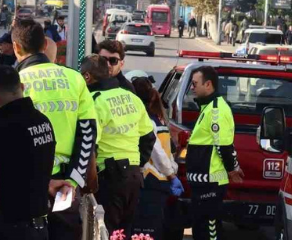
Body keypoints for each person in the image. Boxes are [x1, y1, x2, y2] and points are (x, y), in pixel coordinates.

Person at [13, 18, 98, 240]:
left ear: (16, 47)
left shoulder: (14, 82)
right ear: (44, 47)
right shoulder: (75, 78)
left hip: (26, 184)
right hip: (66, 185)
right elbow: (88, 132)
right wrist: (73, 180)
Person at [0, 66, 63, 240]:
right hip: (40, 226)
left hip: (13, 228)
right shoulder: (42, 120)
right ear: (21, 87)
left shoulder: (1, 127)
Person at [80, 55, 155, 235]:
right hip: (134, 178)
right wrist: (137, 164)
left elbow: (90, 145)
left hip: (109, 179)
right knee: (123, 233)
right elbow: (148, 137)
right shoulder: (132, 98)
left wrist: (88, 181)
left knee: (104, 232)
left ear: (88, 77)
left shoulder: (95, 102)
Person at [186, 66, 243, 240]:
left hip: (210, 183)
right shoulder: (208, 107)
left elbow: (224, 146)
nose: (192, 88)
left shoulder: (216, 110)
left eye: (195, 84)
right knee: (200, 229)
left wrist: (233, 169)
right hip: (202, 182)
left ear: (208, 84)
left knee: (209, 232)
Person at [128, 71, 184, 240]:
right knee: (153, 230)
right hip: (159, 183)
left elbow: (158, 152)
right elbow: (166, 151)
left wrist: (171, 174)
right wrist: (172, 173)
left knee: (145, 231)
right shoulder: (158, 119)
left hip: (150, 181)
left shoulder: (147, 120)